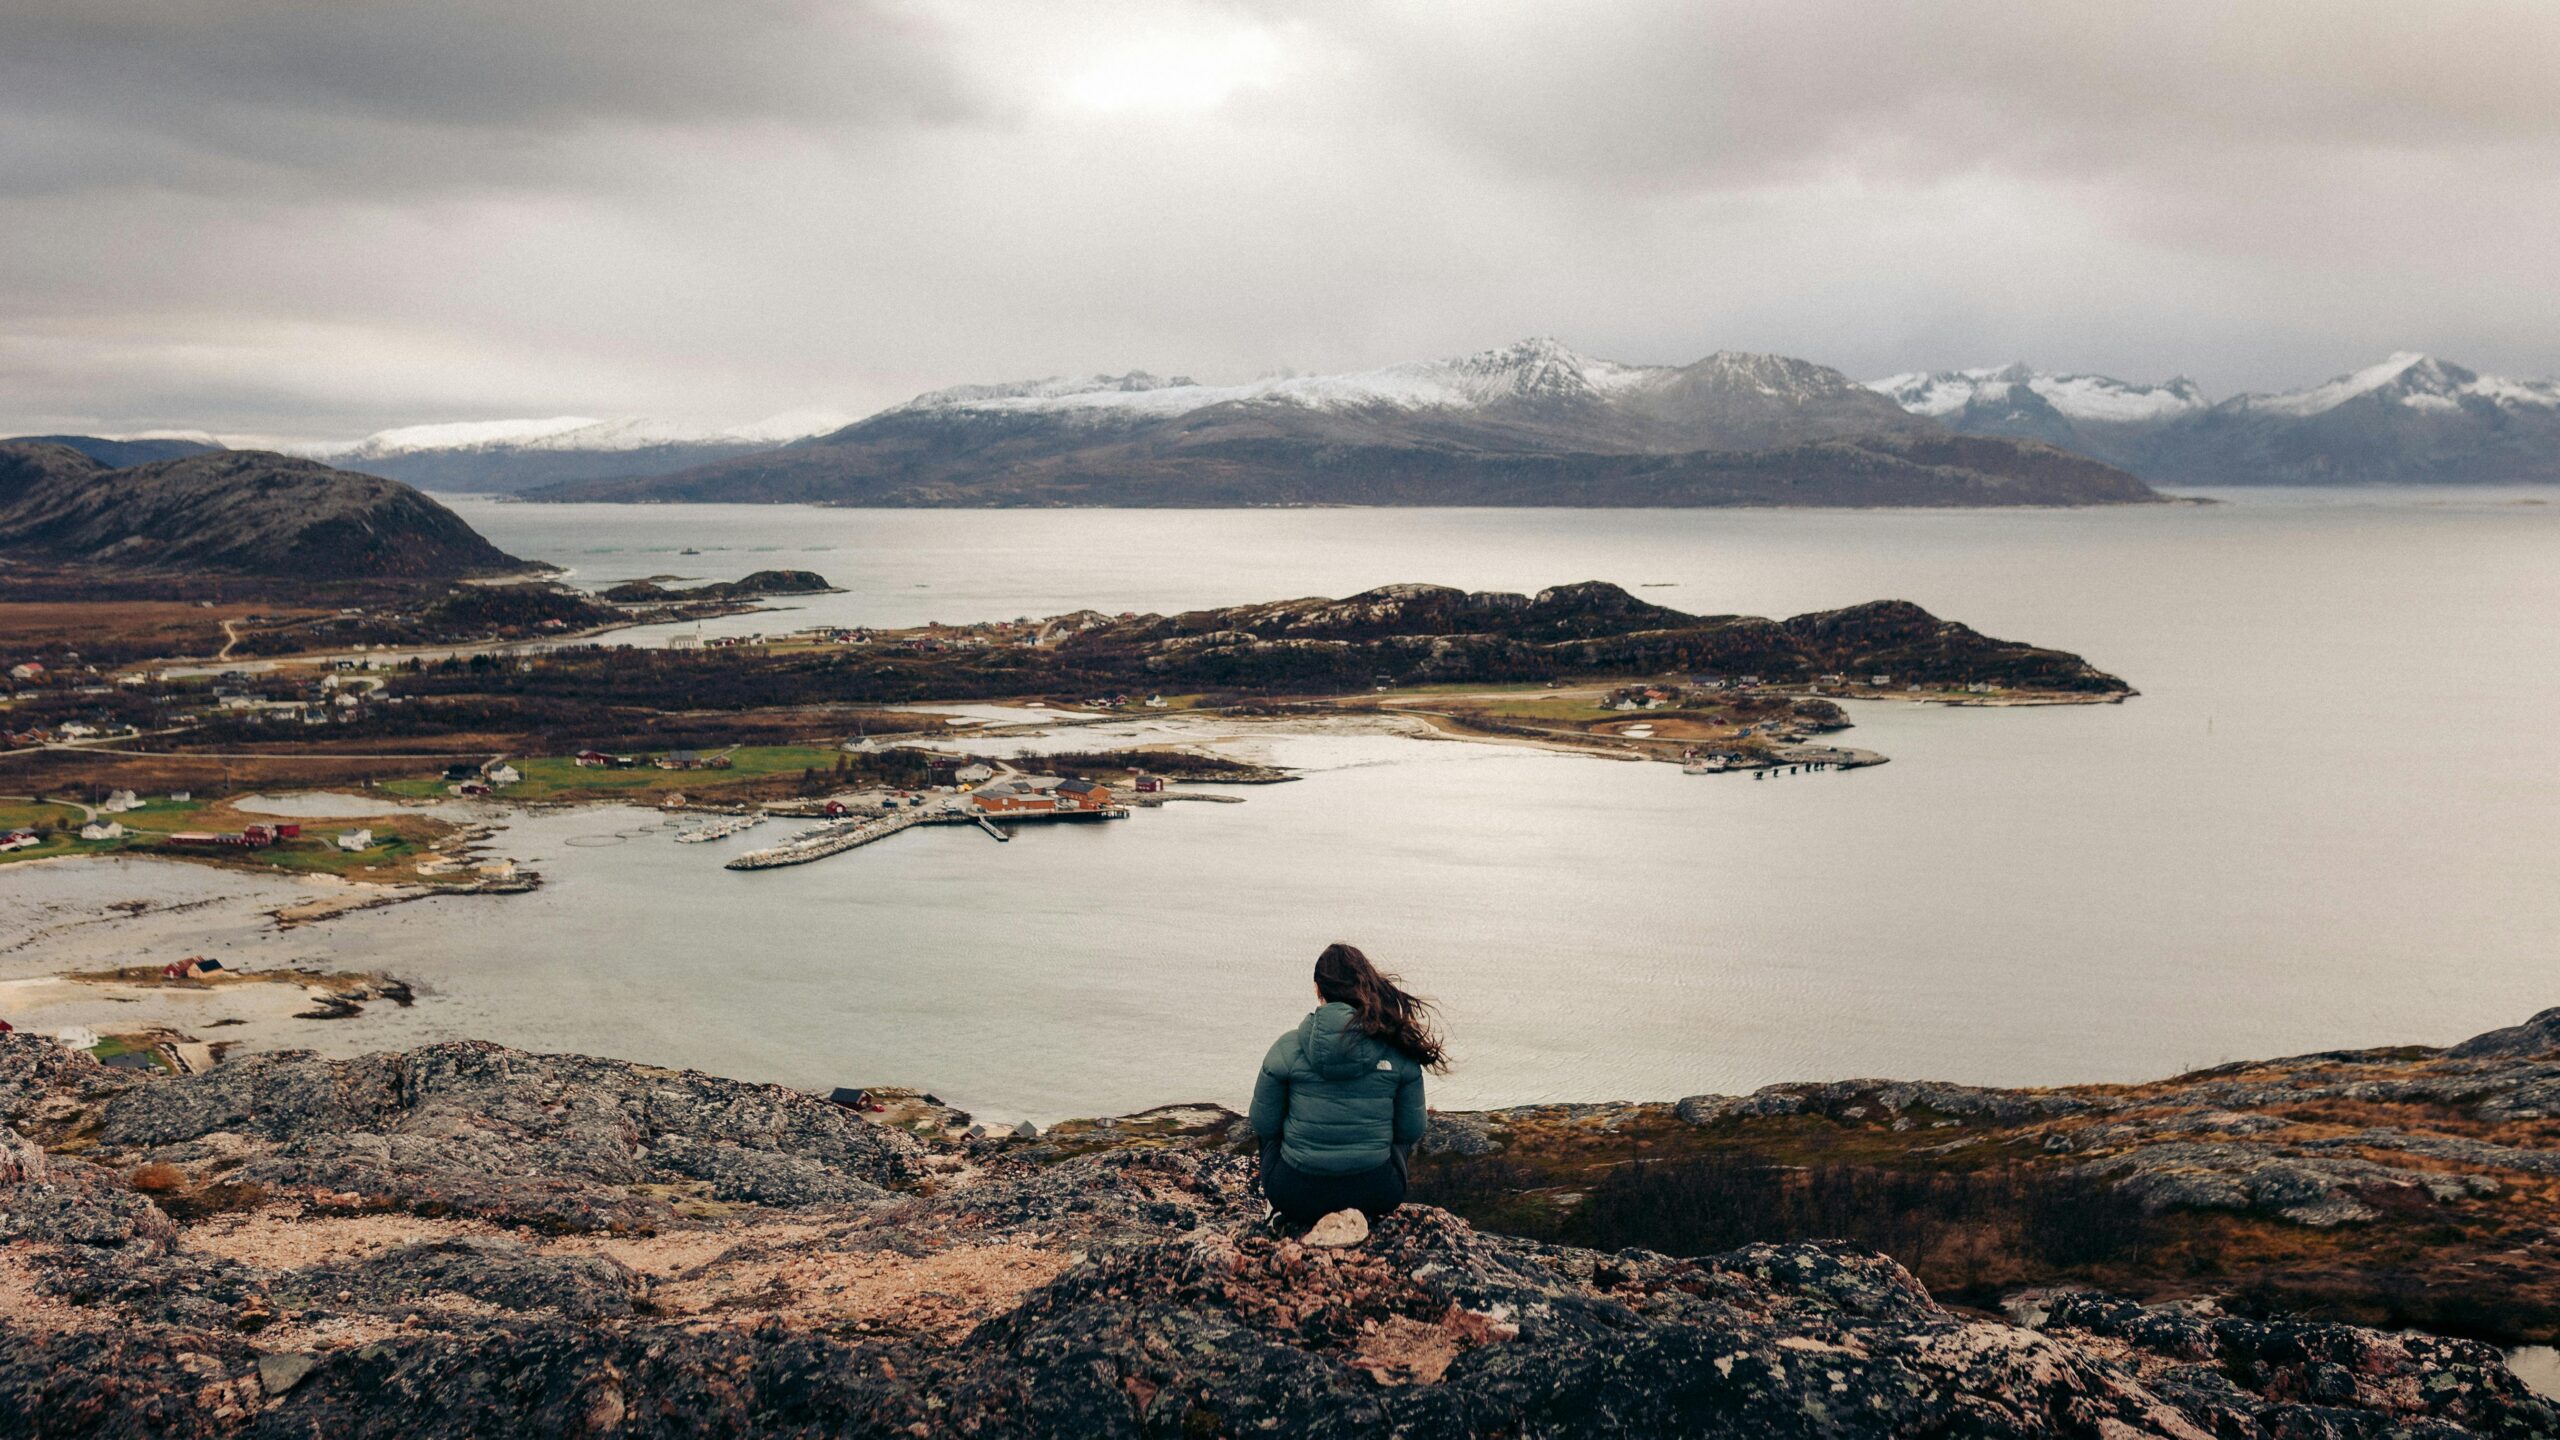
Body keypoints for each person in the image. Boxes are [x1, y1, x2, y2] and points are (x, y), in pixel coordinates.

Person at [1249, 942, 1447, 1228]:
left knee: (1268, 1128)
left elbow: (1264, 1124)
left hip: (1294, 1193)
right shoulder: (1397, 1051)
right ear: (1365, 986)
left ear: (1318, 989)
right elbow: (1411, 1130)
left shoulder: (1285, 1048)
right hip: (1378, 1192)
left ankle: (1278, 1215)